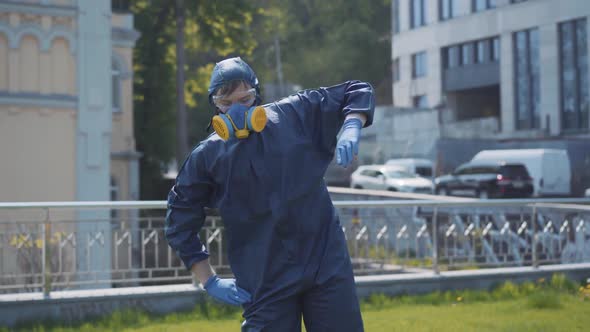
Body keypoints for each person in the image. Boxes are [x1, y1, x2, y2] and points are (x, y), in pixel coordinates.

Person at [165, 57, 374, 331]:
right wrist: (208, 279)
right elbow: (179, 217)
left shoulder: (293, 115)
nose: (237, 111)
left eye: (245, 99)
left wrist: (352, 124)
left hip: (326, 264)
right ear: (214, 105)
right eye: (226, 104)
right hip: (265, 278)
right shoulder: (207, 157)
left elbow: (355, 90)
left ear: (257, 95)